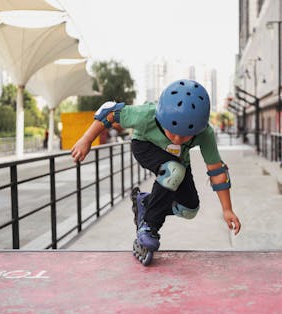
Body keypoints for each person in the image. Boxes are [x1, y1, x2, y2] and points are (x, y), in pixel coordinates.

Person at [71, 79, 241, 266]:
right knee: (173, 171)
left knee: (189, 209)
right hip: (145, 146)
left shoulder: (205, 133)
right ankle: (149, 227)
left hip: (178, 161)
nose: (177, 139)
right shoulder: (145, 115)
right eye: (172, 132)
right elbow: (109, 111)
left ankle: (145, 202)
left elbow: (216, 170)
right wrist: (86, 140)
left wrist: (227, 209)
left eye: (185, 136)